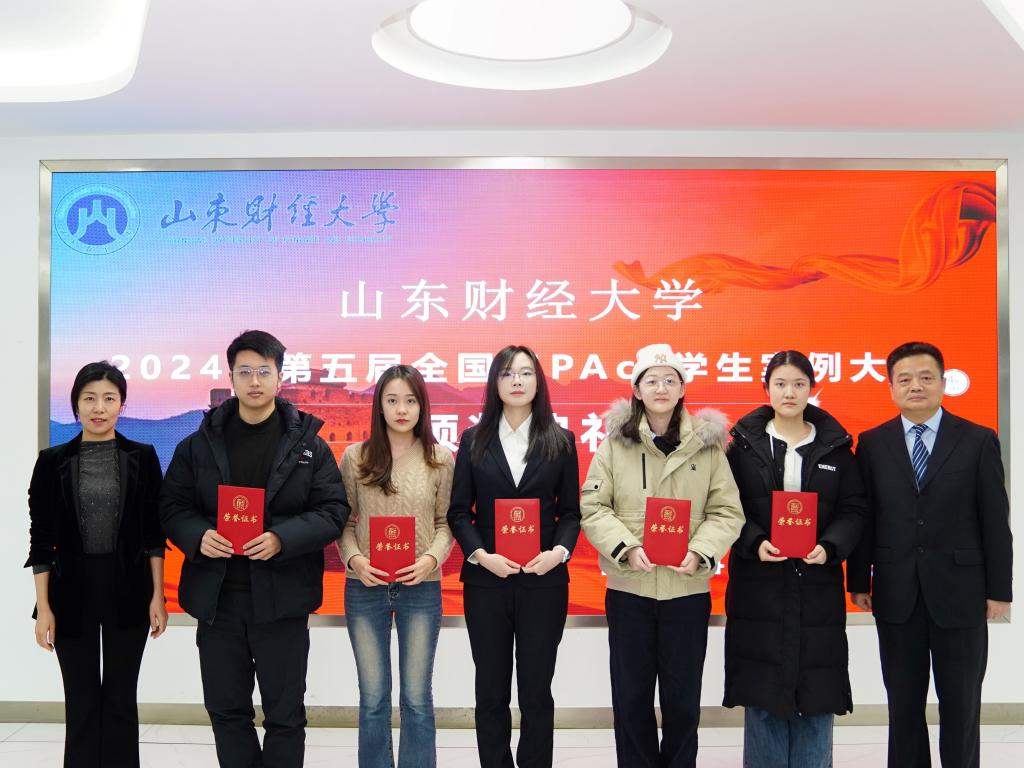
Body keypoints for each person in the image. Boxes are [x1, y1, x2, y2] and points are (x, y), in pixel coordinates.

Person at [159, 330, 349, 768]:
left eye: (264, 371)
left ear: (280, 377)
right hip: (218, 599)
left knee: (285, 716)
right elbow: (171, 506)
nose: (255, 381)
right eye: (244, 371)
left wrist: (283, 537)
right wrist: (198, 535)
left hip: (283, 599)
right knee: (227, 712)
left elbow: (333, 510)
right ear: (230, 378)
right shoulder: (198, 444)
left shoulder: (309, 446)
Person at [848, 341, 1012, 768]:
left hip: (961, 593)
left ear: (942, 383)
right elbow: (866, 516)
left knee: (961, 705)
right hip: (896, 592)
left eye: (925, 377)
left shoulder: (977, 440)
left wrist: (1000, 590)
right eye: (904, 379)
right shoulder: (873, 443)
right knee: (903, 706)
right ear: (891, 387)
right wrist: (859, 580)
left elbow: (995, 521)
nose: (915, 386)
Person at [581, 342, 744, 768]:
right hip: (629, 590)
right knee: (631, 698)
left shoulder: (708, 446)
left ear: (682, 388)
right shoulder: (615, 444)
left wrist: (701, 551)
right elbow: (593, 507)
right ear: (636, 390)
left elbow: (727, 511)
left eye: (670, 380)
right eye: (651, 380)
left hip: (686, 591)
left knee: (683, 700)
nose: (660, 388)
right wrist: (626, 546)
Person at [723, 350, 865, 767]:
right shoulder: (741, 449)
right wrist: (754, 541)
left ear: (811, 389)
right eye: (781, 384)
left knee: (817, 696)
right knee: (763, 696)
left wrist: (831, 546)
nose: (789, 392)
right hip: (758, 588)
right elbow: (724, 508)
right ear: (766, 389)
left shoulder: (836, 450)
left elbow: (854, 509)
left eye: (799, 384)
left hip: (817, 586)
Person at [25, 361, 167, 768]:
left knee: (121, 697)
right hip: (71, 590)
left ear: (122, 404)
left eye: (109, 398)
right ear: (76, 404)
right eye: (89, 398)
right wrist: (44, 608)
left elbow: (153, 534)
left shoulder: (143, 457)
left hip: (130, 589)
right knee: (81, 698)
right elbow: (40, 539)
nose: (99, 408)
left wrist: (158, 595)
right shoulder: (51, 461)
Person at [447, 344, 581, 768]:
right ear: (495, 383)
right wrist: (480, 554)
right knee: (490, 689)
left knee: (537, 689)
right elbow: (458, 512)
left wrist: (558, 552)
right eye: (507, 373)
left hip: (544, 581)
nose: (517, 381)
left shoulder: (561, 440)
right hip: (487, 582)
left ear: (538, 382)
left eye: (525, 372)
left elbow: (570, 513)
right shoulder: (473, 440)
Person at [339, 364, 455, 768]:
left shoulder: (440, 458)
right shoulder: (355, 457)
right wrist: (355, 559)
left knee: (417, 696)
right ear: (379, 406)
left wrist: (430, 560)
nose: (402, 409)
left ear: (422, 406)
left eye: (410, 400)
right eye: (392, 400)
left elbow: (446, 524)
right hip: (364, 586)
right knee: (373, 697)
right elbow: (343, 523)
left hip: (422, 587)